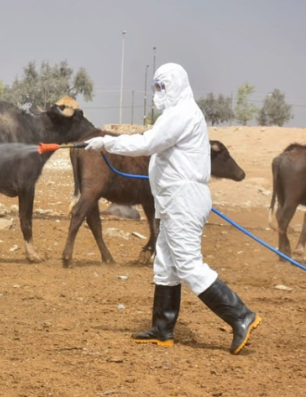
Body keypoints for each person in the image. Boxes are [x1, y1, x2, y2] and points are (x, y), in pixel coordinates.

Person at [85, 63, 261, 354]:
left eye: (163, 86)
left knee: (189, 264)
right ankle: (162, 328)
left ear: (177, 85)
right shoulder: (177, 114)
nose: (158, 93)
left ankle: (241, 315)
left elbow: (149, 142)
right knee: (166, 264)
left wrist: (107, 142)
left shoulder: (182, 114)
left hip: (183, 199)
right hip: (171, 199)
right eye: (156, 87)